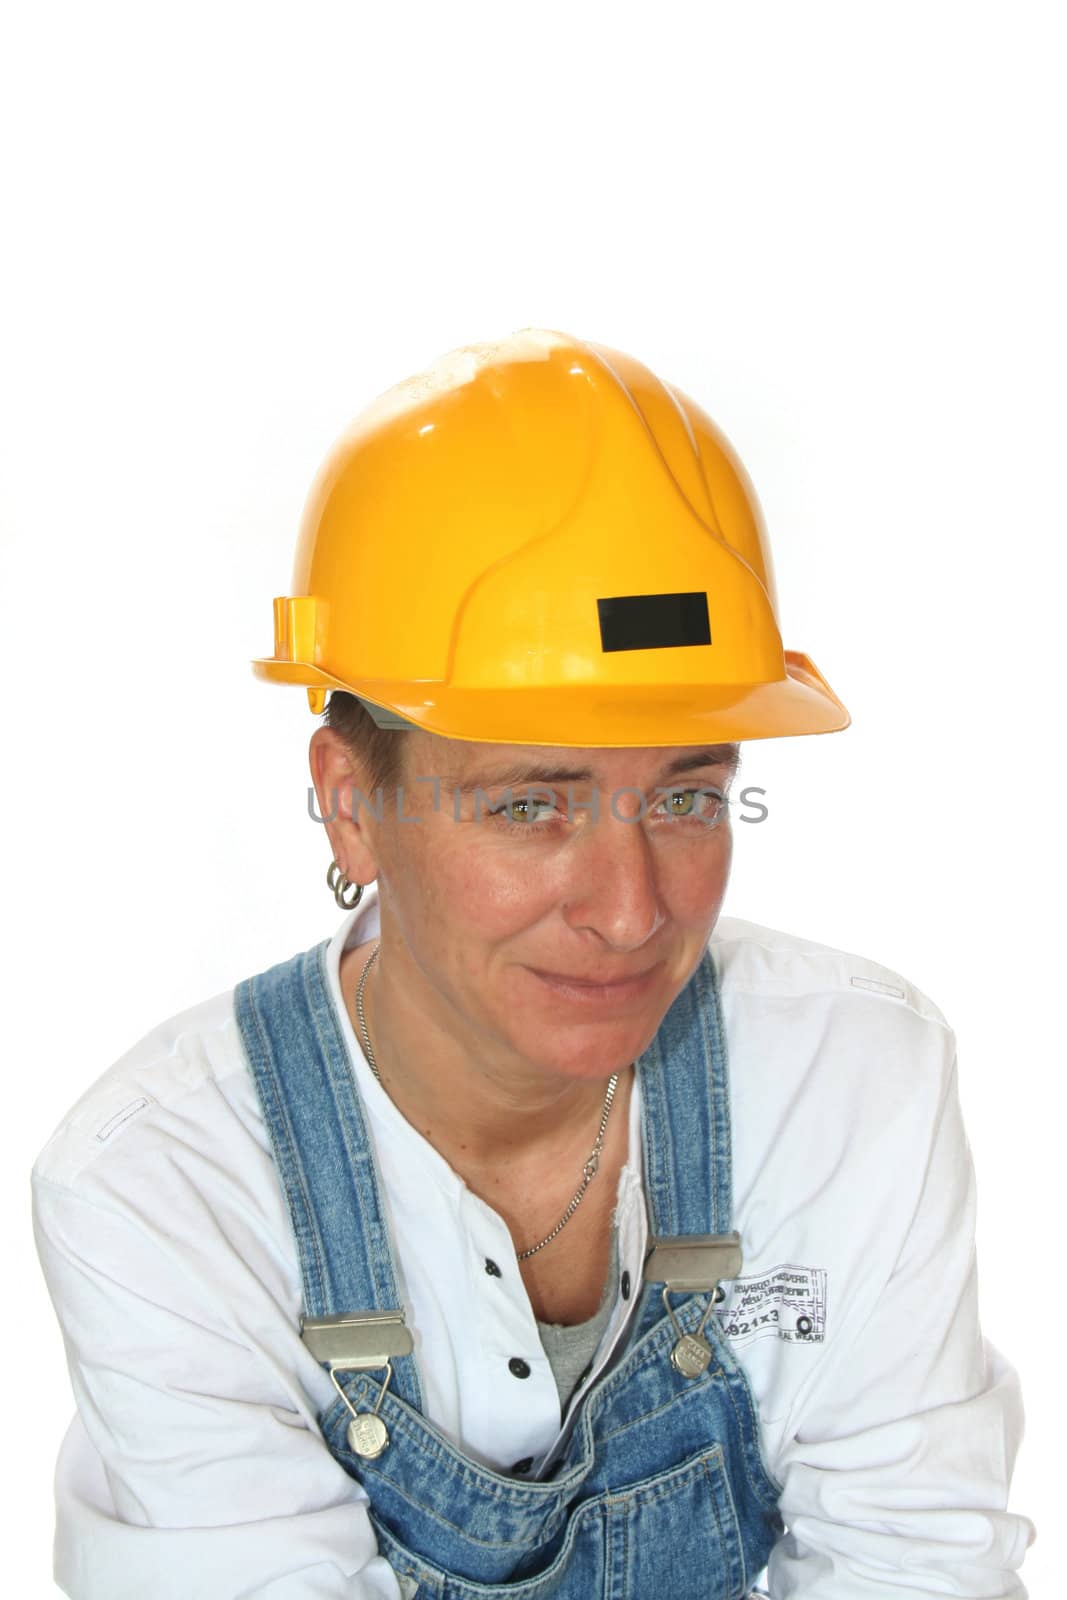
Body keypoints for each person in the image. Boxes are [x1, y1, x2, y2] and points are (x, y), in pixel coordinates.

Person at [31, 328, 1034, 1598]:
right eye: (529, 807)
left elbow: (917, 1566)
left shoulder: (847, 1079)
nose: (629, 914)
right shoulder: (169, 1190)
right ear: (352, 805)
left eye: (684, 799)